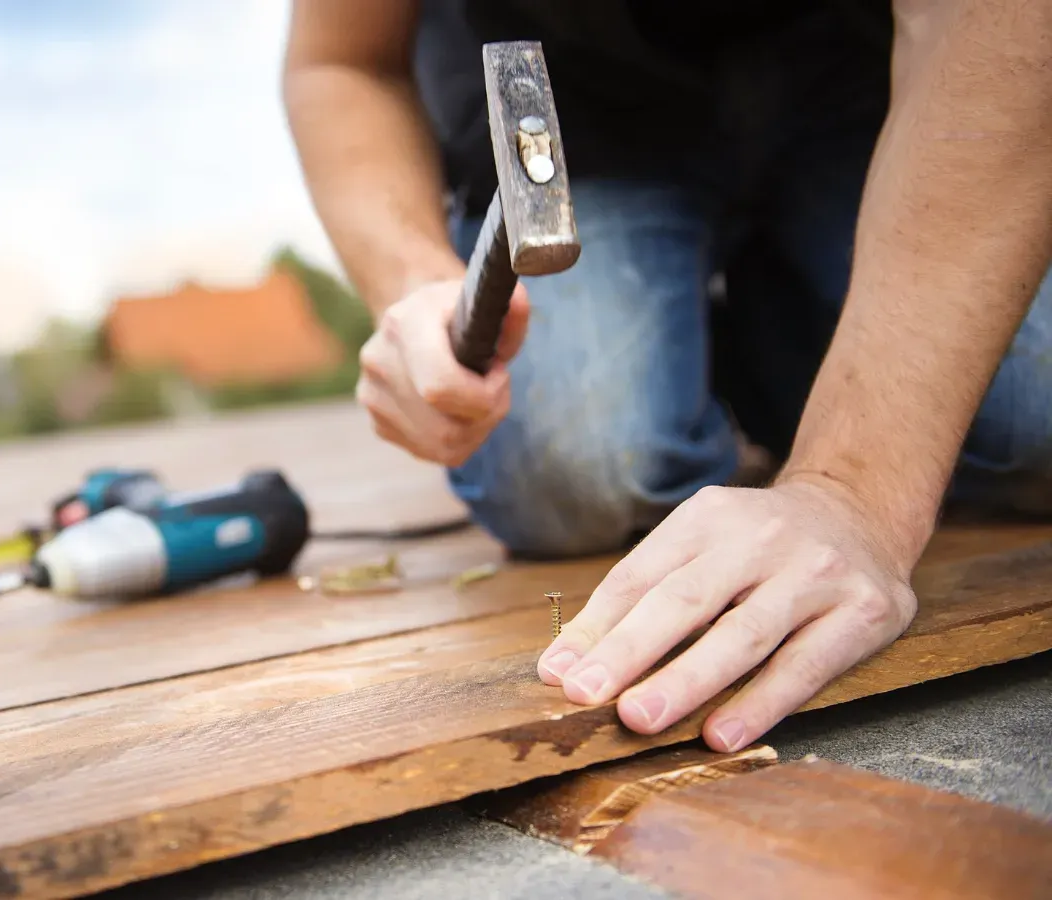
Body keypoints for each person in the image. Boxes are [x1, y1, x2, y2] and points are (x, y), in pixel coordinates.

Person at [281, 0, 1052, 752]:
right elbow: (341, 61)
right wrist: (414, 280)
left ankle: (763, 337)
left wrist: (855, 490)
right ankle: (728, 349)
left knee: (1036, 420)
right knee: (577, 472)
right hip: (593, 118)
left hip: (871, 82)